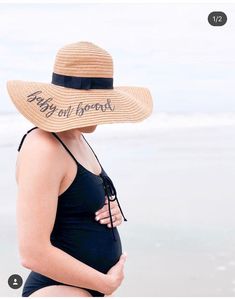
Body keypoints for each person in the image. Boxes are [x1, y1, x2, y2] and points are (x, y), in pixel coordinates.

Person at [7, 41, 153, 297]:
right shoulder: (43, 147)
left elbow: (70, 202)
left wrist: (106, 209)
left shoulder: (75, 138)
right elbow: (32, 252)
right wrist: (105, 284)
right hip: (57, 289)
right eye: (95, 103)